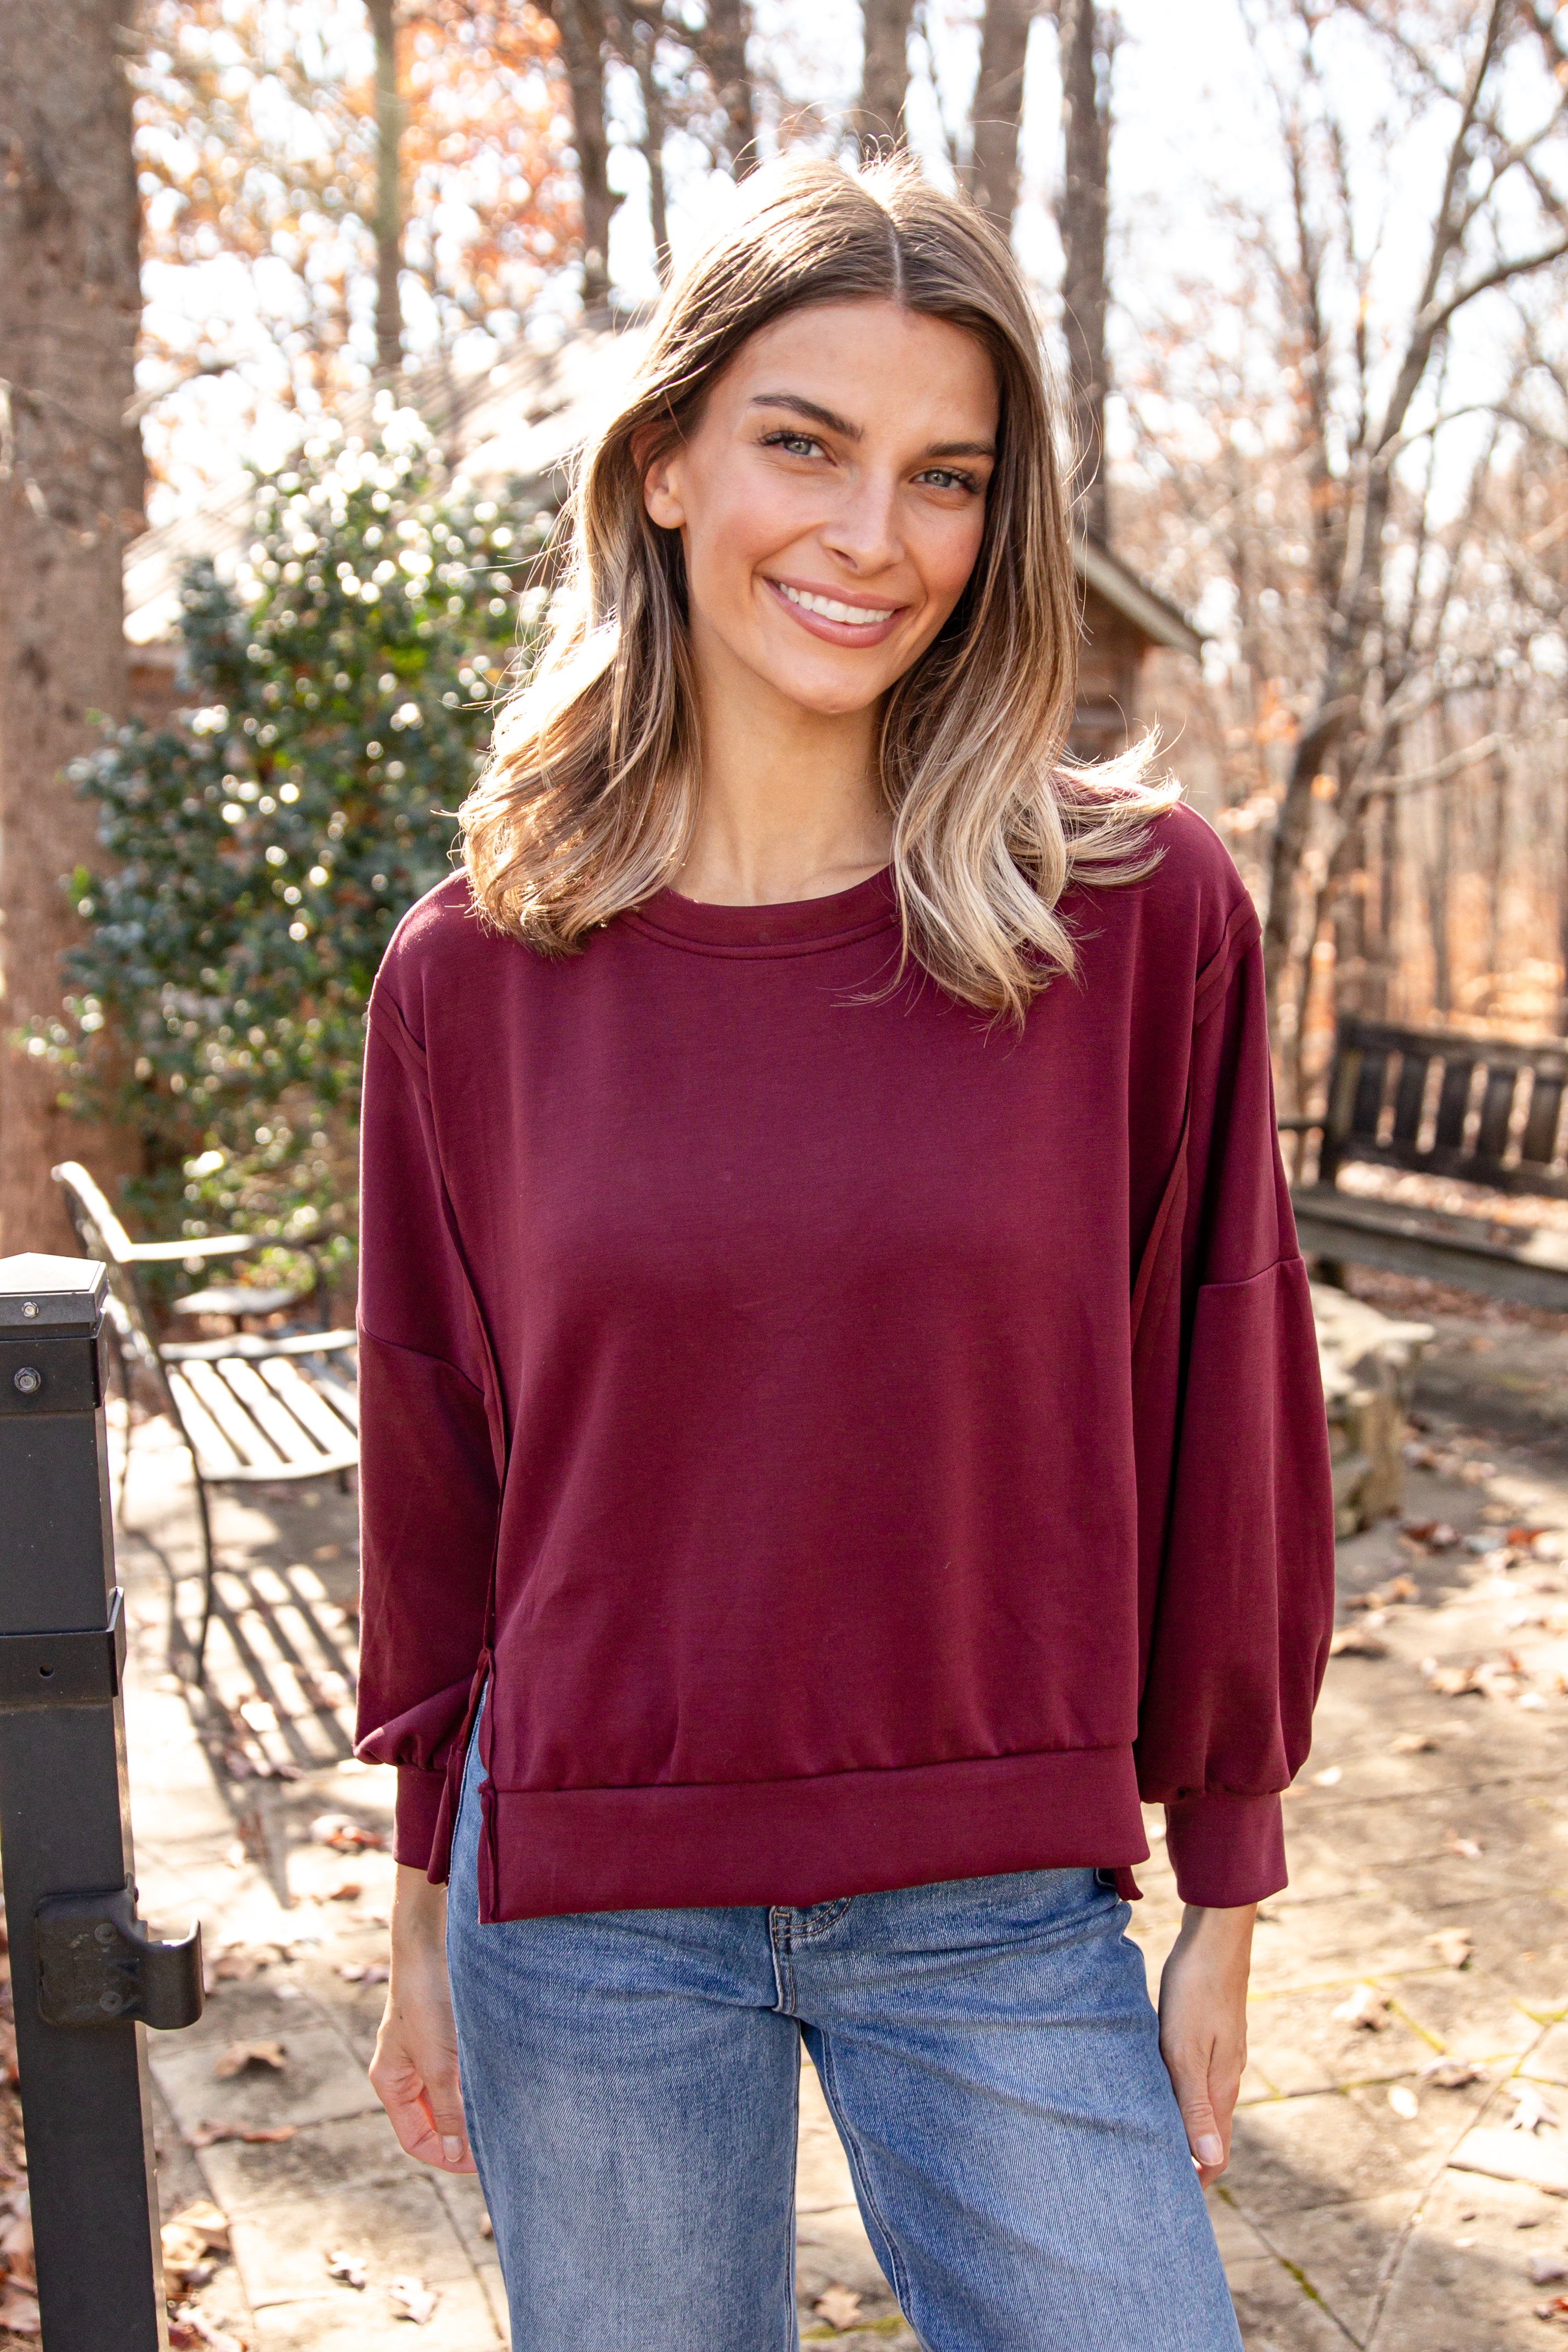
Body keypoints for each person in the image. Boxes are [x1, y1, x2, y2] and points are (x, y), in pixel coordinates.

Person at [354, 154, 1335, 2350]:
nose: (871, 538)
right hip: (587, 1890)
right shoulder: (472, 976)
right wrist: (421, 1899)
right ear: (672, 458)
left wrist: (1230, 1877)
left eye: (945, 475)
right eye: (805, 443)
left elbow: (1225, 1396)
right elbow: (442, 1474)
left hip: (995, 1895)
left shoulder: (1136, 919)